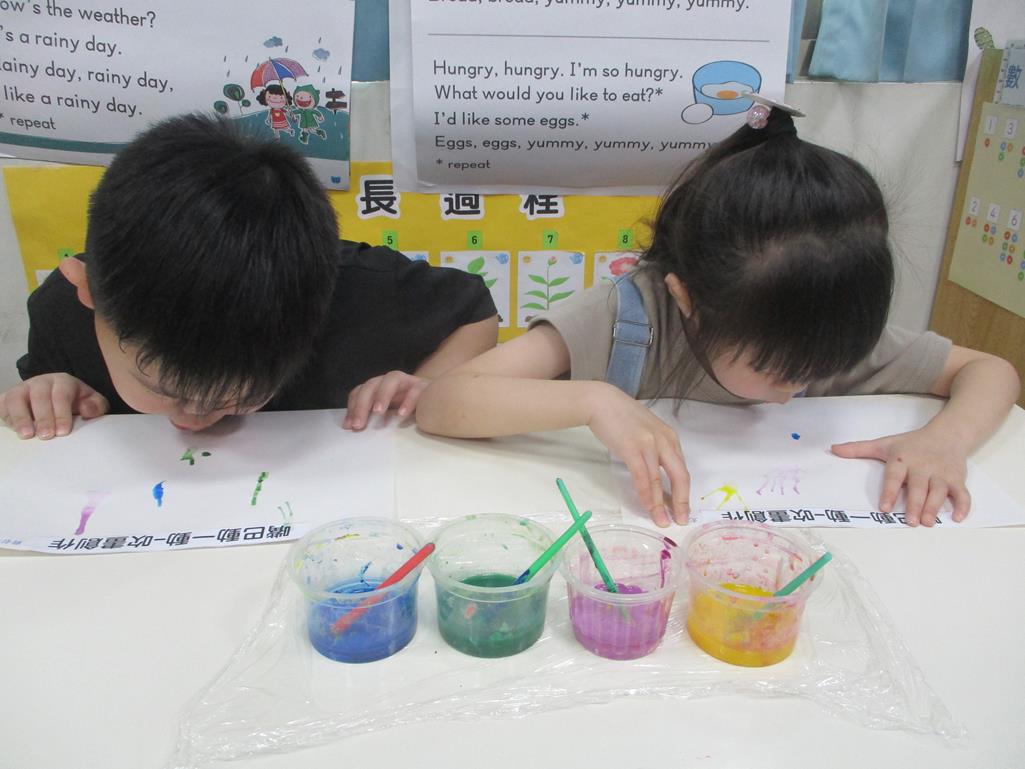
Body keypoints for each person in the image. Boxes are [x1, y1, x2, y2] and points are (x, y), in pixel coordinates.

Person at [416, 106, 1020, 529]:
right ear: (687, 298)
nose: (796, 388)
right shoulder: (626, 318)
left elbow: (991, 371)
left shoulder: (823, 324)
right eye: (776, 370)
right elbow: (443, 401)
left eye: (816, 368)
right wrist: (594, 400)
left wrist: (946, 440)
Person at [3, 113, 498, 438]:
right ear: (87, 290)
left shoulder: (357, 289)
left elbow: (474, 312)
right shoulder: (63, 311)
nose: (192, 417)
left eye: (237, 398)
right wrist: (49, 391)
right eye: (162, 390)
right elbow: (44, 393)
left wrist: (427, 384)